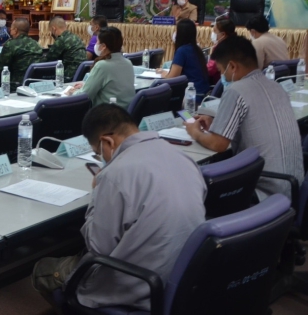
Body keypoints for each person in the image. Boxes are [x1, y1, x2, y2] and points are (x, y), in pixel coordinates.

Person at [32, 104, 206, 312]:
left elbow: (99, 247)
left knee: (42, 270)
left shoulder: (115, 174)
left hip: (139, 286)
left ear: (107, 141)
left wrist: (97, 192)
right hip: (183, 276)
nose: (103, 159)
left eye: (99, 153)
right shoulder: (182, 157)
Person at [185, 37, 303, 200]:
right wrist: (217, 124)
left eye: (221, 70)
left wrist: (195, 132)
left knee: (197, 193)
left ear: (233, 66)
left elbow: (218, 144)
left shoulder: (236, 90)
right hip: (294, 186)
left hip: (265, 190)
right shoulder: (275, 86)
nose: (222, 76)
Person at [66, 27, 135, 108]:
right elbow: (112, 86)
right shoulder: (128, 62)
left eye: (97, 41)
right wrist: (86, 85)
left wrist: (73, 92)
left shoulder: (102, 65)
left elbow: (85, 95)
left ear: (103, 46)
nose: (96, 44)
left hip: (106, 113)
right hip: (124, 112)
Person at [156, 19, 210, 100]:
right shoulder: (197, 49)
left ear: (180, 34)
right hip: (202, 93)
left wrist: (163, 74)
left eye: (176, 31)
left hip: (192, 97)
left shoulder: (182, 51)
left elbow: (172, 78)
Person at [0, 18, 45, 91]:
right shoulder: (36, 44)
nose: (10, 30)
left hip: (16, 85)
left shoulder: (10, 45)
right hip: (35, 83)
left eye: (11, 28)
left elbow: (0, 70)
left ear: (15, 30)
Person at [41, 17, 87, 82]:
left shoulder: (61, 40)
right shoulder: (76, 37)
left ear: (53, 28)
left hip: (68, 76)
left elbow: (48, 60)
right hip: (82, 74)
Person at [206, 18, 236, 84]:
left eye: (215, 31)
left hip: (220, 83)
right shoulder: (237, 44)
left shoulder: (220, 48)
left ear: (223, 34)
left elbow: (210, 69)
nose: (213, 34)